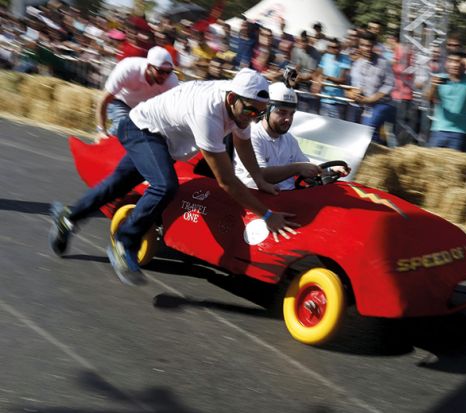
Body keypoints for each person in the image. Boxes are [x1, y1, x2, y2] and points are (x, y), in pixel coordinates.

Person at [49, 69, 298, 286]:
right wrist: (266, 215)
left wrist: (259, 178)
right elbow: (227, 181)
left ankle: (68, 218)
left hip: (164, 139)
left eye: (260, 112)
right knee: (165, 186)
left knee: (118, 185)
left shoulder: (243, 103)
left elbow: (242, 144)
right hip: (143, 130)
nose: (254, 116)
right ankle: (124, 242)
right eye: (252, 110)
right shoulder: (209, 113)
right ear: (232, 99)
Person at [234, 81, 349, 190]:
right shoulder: (251, 136)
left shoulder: (289, 140)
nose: (288, 119)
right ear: (265, 110)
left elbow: (308, 170)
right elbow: (260, 175)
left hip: (287, 197)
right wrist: (297, 168)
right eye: (282, 112)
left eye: (291, 113)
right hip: (257, 198)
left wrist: (331, 170)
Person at [95, 46, 179, 139]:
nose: (164, 76)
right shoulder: (128, 68)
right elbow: (104, 99)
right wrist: (101, 130)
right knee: (125, 125)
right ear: (149, 67)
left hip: (144, 110)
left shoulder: (171, 81)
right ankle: (103, 144)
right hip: (120, 102)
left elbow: (175, 111)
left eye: (169, 71)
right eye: (160, 71)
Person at [347, 31, 396, 145]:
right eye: (363, 45)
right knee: (360, 132)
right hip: (362, 104)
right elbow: (355, 85)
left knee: (368, 130)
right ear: (359, 46)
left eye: (369, 45)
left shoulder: (383, 63)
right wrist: (353, 93)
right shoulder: (357, 64)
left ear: (374, 46)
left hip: (381, 104)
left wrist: (372, 99)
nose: (366, 49)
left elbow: (389, 84)